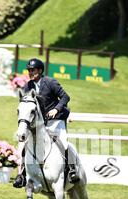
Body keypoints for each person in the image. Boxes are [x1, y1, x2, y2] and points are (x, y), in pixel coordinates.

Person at [13, 58, 79, 188]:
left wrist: (56, 109)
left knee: (63, 142)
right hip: (40, 122)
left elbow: (65, 97)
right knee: (26, 145)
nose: (30, 72)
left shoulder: (50, 82)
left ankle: (72, 170)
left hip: (57, 118)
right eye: (29, 70)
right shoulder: (28, 86)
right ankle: (22, 174)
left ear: (40, 70)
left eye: (32, 70)